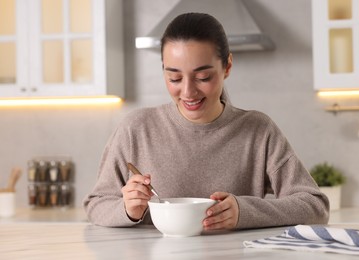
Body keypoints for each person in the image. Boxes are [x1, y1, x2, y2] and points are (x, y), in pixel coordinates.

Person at [83, 12, 329, 230]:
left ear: (227, 66)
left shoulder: (258, 130)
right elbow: (96, 204)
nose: (188, 92)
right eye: (175, 78)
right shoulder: (135, 128)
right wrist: (128, 210)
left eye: (203, 77)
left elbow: (315, 205)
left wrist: (245, 212)